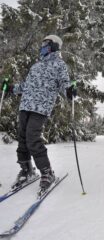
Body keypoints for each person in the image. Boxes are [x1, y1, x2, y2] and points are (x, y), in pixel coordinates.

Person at [0, 35, 73, 193]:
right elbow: (26, 85)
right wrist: (12, 88)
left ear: (53, 46)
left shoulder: (59, 65)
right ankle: (27, 170)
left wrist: (69, 91)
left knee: (33, 138)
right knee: (22, 138)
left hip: (41, 108)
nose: (42, 47)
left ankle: (47, 173)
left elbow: (64, 85)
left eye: (46, 44)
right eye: (42, 45)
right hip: (25, 105)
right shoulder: (36, 66)